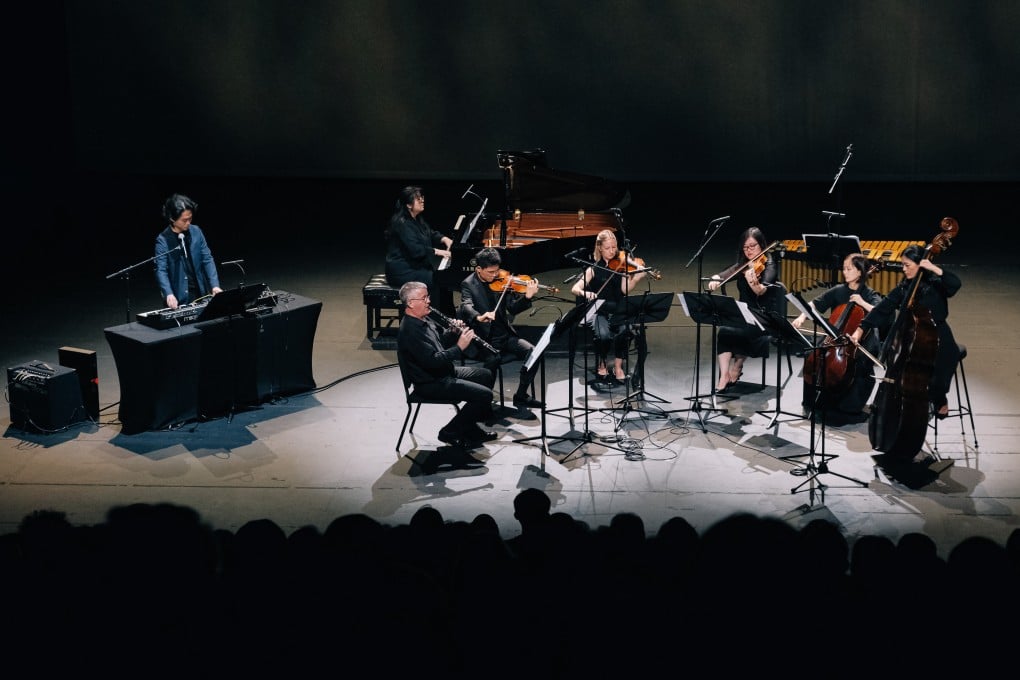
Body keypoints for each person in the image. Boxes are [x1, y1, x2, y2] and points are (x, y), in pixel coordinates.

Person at [850, 243, 961, 420]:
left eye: (907, 265)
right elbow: (883, 309)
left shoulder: (935, 284)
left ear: (921, 264)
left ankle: (939, 398)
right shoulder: (905, 287)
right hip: (911, 334)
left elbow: (955, 284)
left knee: (944, 360)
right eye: (902, 264)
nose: (903, 269)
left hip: (937, 332)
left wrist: (934, 268)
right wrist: (860, 329)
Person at [396, 280, 498, 447]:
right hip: (431, 383)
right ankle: (449, 432)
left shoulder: (425, 319)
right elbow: (433, 361)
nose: (428, 301)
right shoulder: (410, 331)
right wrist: (459, 347)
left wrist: (452, 332)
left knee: (485, 375)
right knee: (485, 395)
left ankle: (468, 427)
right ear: (410, 303)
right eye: (424, 298)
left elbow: (440, 342)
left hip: (443, 372)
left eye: (427, 296)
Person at [791, 253, 883, 422]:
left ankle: (849, 407)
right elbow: (814, 304)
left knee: (860, 365)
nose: (845, 272)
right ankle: (812, 401)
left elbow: (881, 313)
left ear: (861, 272)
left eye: (849, 269)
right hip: (836, 337)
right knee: (813, 354)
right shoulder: (839, 290)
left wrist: (862, 303)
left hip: (862, 340)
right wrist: (802, 316)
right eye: (844, 268)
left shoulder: (870, 294)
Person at [458, 247, 544, 412]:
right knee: (493, 360)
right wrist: (479, 316)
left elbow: (512, 308)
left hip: (504, 334)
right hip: (483, 338)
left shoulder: (503, 280)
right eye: (490, 272)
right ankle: (483, 402)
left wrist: (527, 297)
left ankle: (520, 395)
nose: (495, 275)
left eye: (497, 271)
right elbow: (465, 306)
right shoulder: (469, 284)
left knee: (533, 352)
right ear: (479, 269)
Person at [705, 226, 785, 392]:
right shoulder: (745, 263)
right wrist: (716, 278)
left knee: (742, 330)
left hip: (765, 315)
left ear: (761, 245)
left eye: (753, 246)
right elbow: (727, 273)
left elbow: (761, 291)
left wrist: (752, 281)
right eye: (745, 247)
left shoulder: (769, 263)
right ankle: (724, 374)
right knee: (725, 329)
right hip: (745, 312)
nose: (749, 251)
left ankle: (738, 365)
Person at [570, 229, 648, 386]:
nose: (612, 251)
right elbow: (575, 288)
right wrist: (586, 294)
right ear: (600, 248)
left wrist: (636, 278)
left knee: (625, 332)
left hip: (618, 309)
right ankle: (603, 363)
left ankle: (618, 366)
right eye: (608, 248)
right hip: (600, 310)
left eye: (614, 247)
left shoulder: (620, 266)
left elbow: (625, 290)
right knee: (603, 336)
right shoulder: (593, 269)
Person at [384, 186, 453, 307]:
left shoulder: (416, 219)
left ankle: (446, 315)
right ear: (409, 205)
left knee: (443, 280)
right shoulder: (402, 223)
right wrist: (438, 251)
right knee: (436, 280)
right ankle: (432, 318)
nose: (422, 201)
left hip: (413, 266)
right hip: (402, 271)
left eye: (422, 198)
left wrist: (444, 238)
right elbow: (416, 251)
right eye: (418, 199)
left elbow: (429, 233)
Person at [155, 193, 222, 309]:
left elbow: (207, 259)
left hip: (201, 292)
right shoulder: (163, 240)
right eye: (184, 220)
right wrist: (168, 293)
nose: (188, 223)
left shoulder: (196, 232)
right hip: (178, 297)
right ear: (172, 218)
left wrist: (214, 285)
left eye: (190, 218)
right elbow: (161, 270)